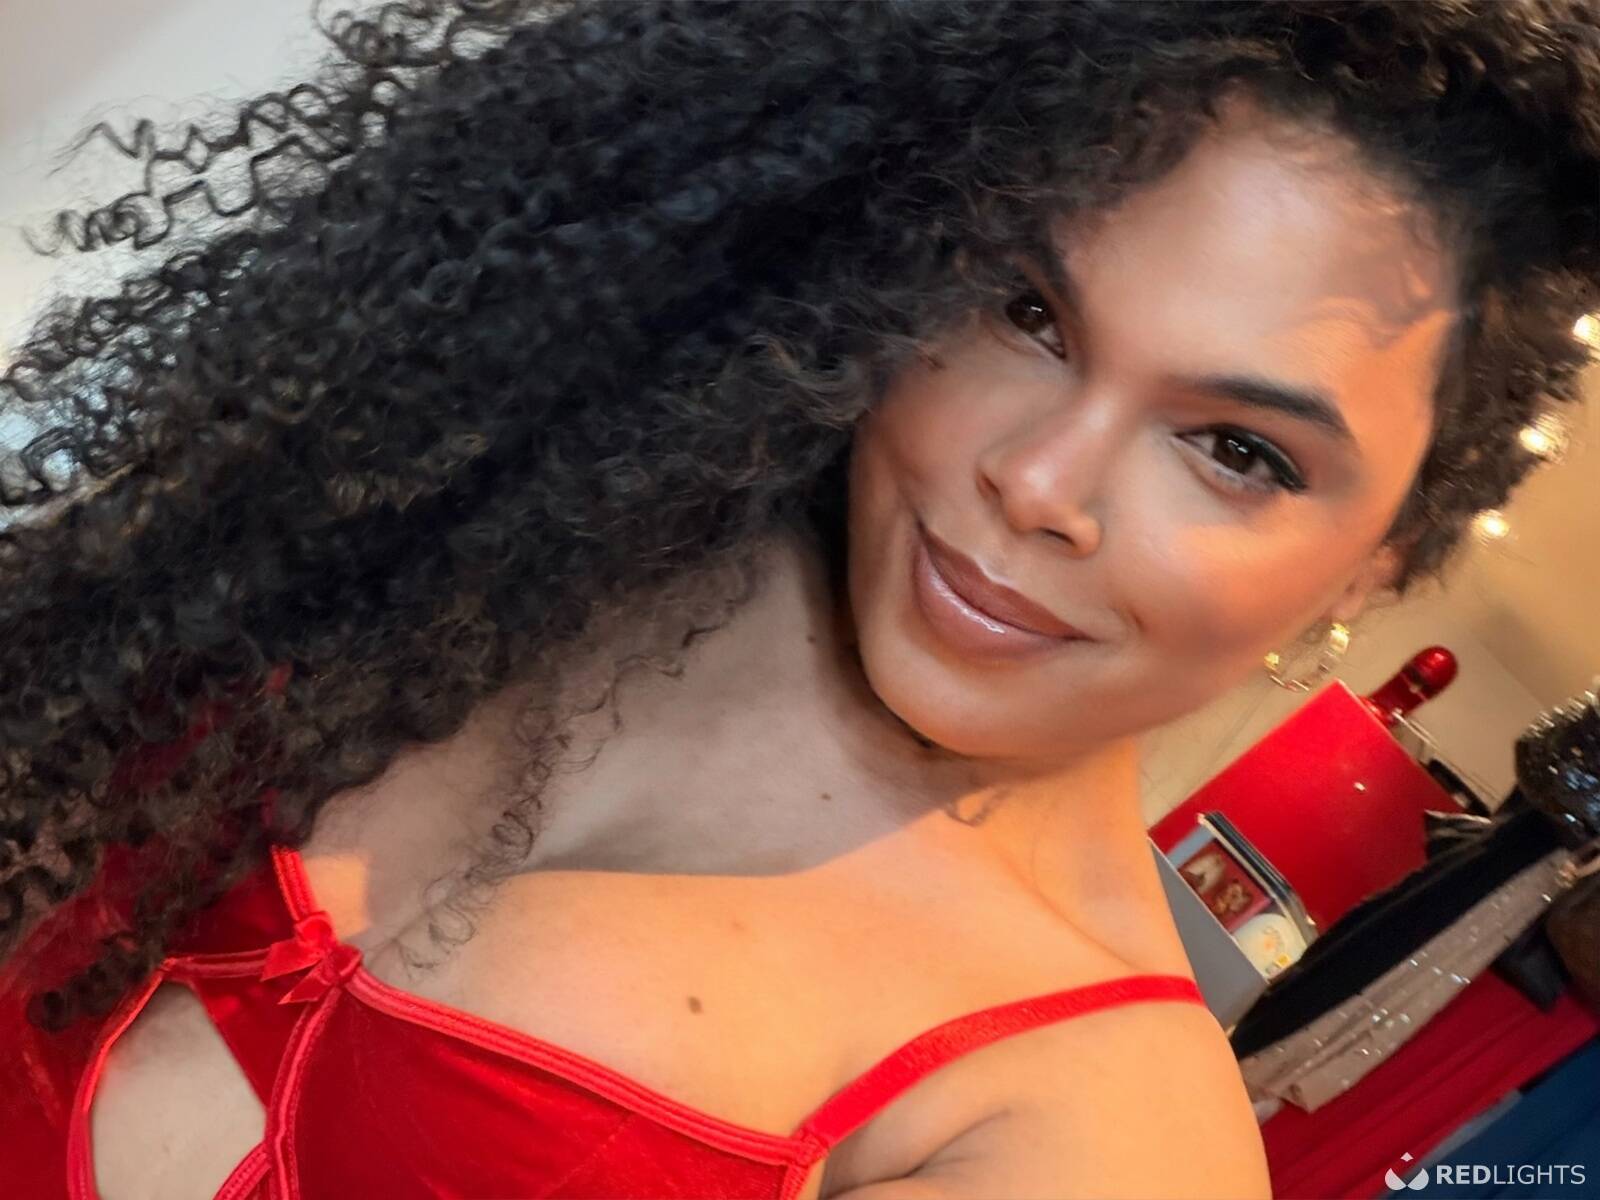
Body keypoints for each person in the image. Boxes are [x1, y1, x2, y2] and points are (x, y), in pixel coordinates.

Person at [1, 1, 1596, 1196]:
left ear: (1382, 560)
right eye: (1025, 310)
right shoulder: (524, 503)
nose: (1040, 480)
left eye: (1236, 449)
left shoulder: (1094, 1130)